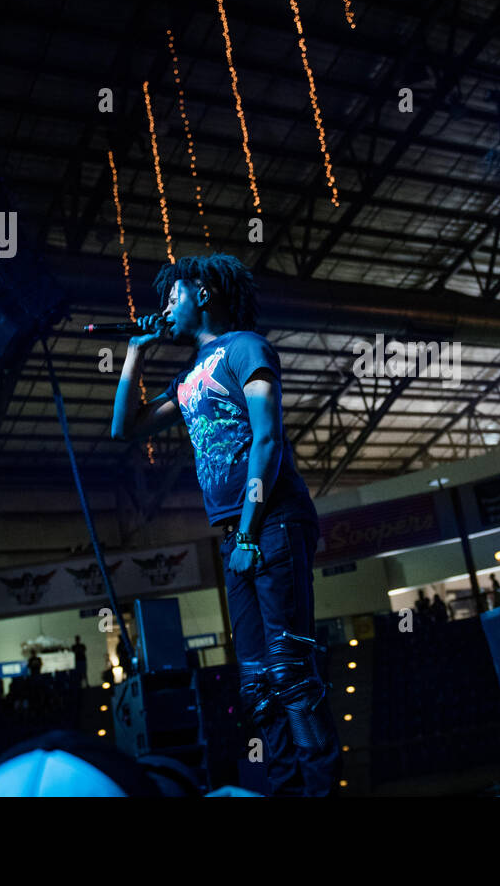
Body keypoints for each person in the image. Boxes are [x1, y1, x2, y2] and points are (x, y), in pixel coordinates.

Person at [111, 253, 341, 797]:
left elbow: (267, 440)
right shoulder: (190, 377)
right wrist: (134, 355)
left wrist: (247, 532)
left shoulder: (246, 348)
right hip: (237, 533)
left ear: (204, 295)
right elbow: (126, 427)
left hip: (271, 522)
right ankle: (285, 791)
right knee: (258, 683)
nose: (166, 307)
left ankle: (322, 792)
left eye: (175, 295)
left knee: (290, 672)